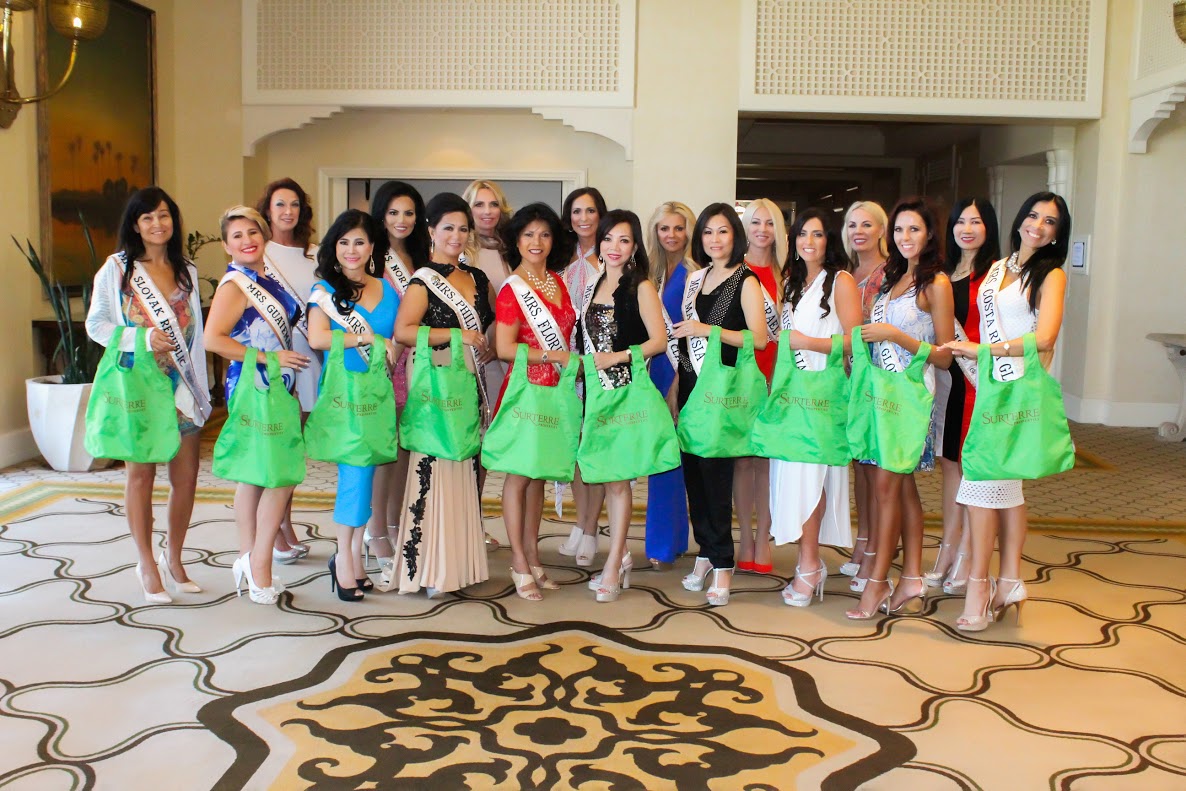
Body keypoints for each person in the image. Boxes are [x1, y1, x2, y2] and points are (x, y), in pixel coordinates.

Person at [944, 192, 1070, 632]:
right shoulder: (998, 268)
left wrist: (986, 350)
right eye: (1033, 215)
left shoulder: (1051, 274)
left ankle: (980, 586)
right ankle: (1011, 580)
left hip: (1013, 388)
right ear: (1019, 220)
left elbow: (1045, 337)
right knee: (1006, 488)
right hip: (989, 385)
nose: (1038, 225)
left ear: (1057, 234)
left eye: (1050, 221)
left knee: (981, 484)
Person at [85, 187, 212, 604]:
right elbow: (96, 325)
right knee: (140, 476)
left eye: (164, 215)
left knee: (186, 479)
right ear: (135, 225)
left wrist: (202, 389)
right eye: (147, 217)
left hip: (181, 389)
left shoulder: (186, 270)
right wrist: (140, 338)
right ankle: (146, 563)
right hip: (140, 389)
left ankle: (173, 557)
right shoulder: (117, 269)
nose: (157, 224)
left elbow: (195, 337)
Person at [846, 198, 954, 620]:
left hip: (910, 398)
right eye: (899, 230)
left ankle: (877, 582)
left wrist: (895, 335)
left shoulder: (936, 284)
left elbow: (944, 355)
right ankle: (910, 577)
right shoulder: (894, 276)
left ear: (929, 235)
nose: (905, 237)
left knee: (887, 488)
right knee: (901, 488)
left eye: (914, 229)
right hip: (881, 395)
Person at [388, 193, 494, 596]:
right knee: (433, 468)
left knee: (465, 466)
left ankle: (459, 567)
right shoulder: (423, 279)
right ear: (431, 230)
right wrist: (457, 334)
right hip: (435, 388)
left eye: (463, 228)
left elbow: (490, 325)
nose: (456, 235)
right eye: (448, 227)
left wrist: (485, 344)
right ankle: (429, 568)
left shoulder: (478, 278)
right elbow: (404, 331)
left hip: (466, 385)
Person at [204, 206, 310, 605]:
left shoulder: (264, 278)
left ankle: (249, 558)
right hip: (254, 384)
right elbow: (213, 339)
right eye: (237, 236)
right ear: (225, 245)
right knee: (281, 473)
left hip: (276, 385)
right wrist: (269, 359)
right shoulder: (235, 285)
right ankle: (260, 560)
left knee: (256, 475)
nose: (247, 240)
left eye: (253, 232)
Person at [671, 203, 769, 606]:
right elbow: (684, 338)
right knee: (693, 477)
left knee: (715, 479)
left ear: (735, 236)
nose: (715, 239)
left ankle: (724, 562)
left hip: (721, 392)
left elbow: (759, 339)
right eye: (708, 232)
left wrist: (707, 330)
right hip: (691, 384)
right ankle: (706, 553)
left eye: (723, 231)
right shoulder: (697, 278)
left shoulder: (746, 280)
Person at [306, 209, 401, 601]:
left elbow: (397, 340)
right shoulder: (325, 291)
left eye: (359, 242)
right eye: (344, 242)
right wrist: (366, 339)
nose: (351, 249)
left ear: (372, 247)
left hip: (376, 395)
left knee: (366, 473)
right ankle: (344, 557)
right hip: (344, 395)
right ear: (334, 247)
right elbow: (317, 338)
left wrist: (387, 352)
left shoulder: (387, 289)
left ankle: (353, 558)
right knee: (355, 474)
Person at [770, 209, 862, 607]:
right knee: (793, 477)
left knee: (812, 478)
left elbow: (856, 341)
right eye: (803, 234)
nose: (809, 241)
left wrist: (808, 343)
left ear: (830, 240)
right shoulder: (791, 281)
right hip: (793, 395)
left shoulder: (840, 281)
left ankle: (810, 564)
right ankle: (807, 562)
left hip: (822, 396)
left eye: (818, 234)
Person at [578, 210, 668, 602]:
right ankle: (622, 554)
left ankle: (614, 562)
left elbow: (658, 341)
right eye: (609, 238)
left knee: (618, 479)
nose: (615, 247)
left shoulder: (641, 285)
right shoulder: (593, 283)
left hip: (624, 391)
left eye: (624, 240)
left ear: (634, 247)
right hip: (596, 395)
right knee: (606, 475)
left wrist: (617, 358)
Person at [494, 202, 577, 600]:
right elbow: (504, 347)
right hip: (525, 390)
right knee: (519, 476)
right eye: (528, 234)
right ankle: (518, 562)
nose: (536, 242)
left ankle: (532, 555)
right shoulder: (513, 289)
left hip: (554, 394)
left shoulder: (557, 282)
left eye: (544, 234)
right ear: (516, 240)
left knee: (538, 476)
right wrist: (551, 355)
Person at [925, 199, 1001, 595]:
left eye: (976, 221)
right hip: (946, 381)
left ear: (990, 227)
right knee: (950, 468)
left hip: (977, 383)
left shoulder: (995, 276)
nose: (967, 229)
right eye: (960, 221)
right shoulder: (941, 274)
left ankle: (969, 556)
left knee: (973, 471)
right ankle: (948, 549)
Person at [256, 177, 319, 563]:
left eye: (294, 204)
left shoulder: (315, 254)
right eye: (280, 204)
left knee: (295, 449)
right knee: (279, 448)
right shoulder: (259, 253)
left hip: (311, 358)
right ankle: (278, 529)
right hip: (276, 361)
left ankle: (284, 522)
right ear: (267, 210)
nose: (288, 212)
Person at [642, 201, 697, 570]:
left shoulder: (695, 274)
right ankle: (672, 540)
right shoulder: (650, 273)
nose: (672, 235)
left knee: (670, 460)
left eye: (679, 228)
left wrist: (676, 384)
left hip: (681, 373)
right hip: (653, 371)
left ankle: (664, 545)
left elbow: (693, 333)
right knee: (662, 458)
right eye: (664, 228)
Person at [558, 187, 610, 568]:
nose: (584, 218)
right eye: (577, 211)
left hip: (601, 365)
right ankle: (580, 521)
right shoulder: (561, 259)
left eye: (590, 211)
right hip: (569, 366)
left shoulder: (610, 257)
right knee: (575, 449)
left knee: (597, 447)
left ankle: (592, 528)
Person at [735, 199, 787, 574]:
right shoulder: (735, 272)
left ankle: (764, 535)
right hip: (744, 375)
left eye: (770, 223)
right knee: (742, 459)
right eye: (755, 222)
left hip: (779, 376)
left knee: (766, 460)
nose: (762, 230)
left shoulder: (789, 274)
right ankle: (744, 537)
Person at [841, 200, 890, 592]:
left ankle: (877, 550)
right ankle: (863, 540)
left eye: (867, 224)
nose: (859, 231)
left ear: (881, 230)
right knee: (859, 464)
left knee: (878, 469)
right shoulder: (844, 273)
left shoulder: (890, 273)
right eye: (852, 224)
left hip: (880, 377)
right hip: (848, 378)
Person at [463, 178, 515, 540]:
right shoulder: (461, 250)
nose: (486, 211)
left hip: (505, 358)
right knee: (471, 439)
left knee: (489, 443)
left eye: (493, 204)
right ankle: (465, 521)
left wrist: (500, 345)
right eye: (479, 204)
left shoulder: (511, 249)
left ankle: (476, 518)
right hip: (472, 359)